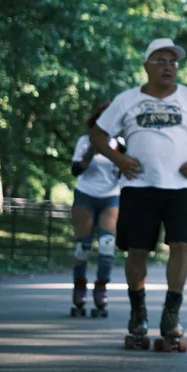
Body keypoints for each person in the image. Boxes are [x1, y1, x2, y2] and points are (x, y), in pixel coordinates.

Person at [91, 39, 187, 351]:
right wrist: (119, 160)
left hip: (180, 188)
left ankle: (170, 314)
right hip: (139, 187)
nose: (168, 67)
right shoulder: (127, 100)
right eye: (161, 61)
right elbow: (97, 134)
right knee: (137, 251)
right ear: (147, 66)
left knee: (181, 246)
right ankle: (138, 314)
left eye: (173, 62)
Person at [69, 101, 123, 317]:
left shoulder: (120, 143)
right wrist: (95, 147)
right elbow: (75, 170)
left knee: (107, 244)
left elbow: (127, 169)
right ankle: (79, 287)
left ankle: (101, 287)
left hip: (110, 197)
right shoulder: (85, 141)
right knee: (83, 246)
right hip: (86, 195)